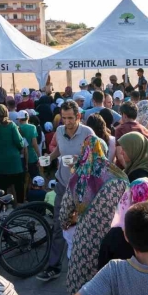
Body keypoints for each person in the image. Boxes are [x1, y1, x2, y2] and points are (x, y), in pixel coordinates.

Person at [58, 135, 129, 295]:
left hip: (84, 243)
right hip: (112, 243)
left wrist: (71, 220)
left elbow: (63, 215)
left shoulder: (78, 177)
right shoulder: (119, 177)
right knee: (105, 292)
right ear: (104, 151)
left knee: (78, 288)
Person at [37, 100, 94, 282]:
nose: (67, 122)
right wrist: (49, 157)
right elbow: (59, 151)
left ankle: (83, 267)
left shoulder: (87, 133)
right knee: (58, 225)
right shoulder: (60, 131)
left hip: (82, 186)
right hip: (62, 184)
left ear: (78, 117)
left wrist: (79, 161)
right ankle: (53, 266)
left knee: (83, 227)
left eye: (70, 118)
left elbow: (96, 159)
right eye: (64, 118)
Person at [0, 104, 25, 203]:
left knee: (1, 189)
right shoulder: (12, 125)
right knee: (19, 187)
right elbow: (20, 143)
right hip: (14, 163)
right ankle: (20, 207)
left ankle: (3, 208)